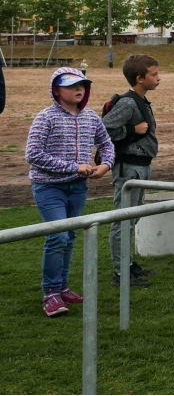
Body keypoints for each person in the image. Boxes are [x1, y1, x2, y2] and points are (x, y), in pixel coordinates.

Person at [25, 67, 114, 317]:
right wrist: (73, 166)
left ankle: (62, 287)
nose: (79, 89)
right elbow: (32, 154)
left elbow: (106, 143)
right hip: (48, 186)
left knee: (70, 236)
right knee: (58, 236)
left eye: (83, 85)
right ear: (56, 90)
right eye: (72, 86)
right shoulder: (46, 118)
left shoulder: (91, 117)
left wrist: (106, 164)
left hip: (77, 187)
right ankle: (50, 293)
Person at [103, 54, 161, 288]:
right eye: (154, 74)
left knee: (132, 218)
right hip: (129, 168)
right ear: (139, 78)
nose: (159, 78)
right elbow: (103, 129)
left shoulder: (141, 100)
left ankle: (127, 264)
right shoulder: (128, 102)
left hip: (142, 166)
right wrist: (131, 130)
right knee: (122, 220)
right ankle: (120, 272)